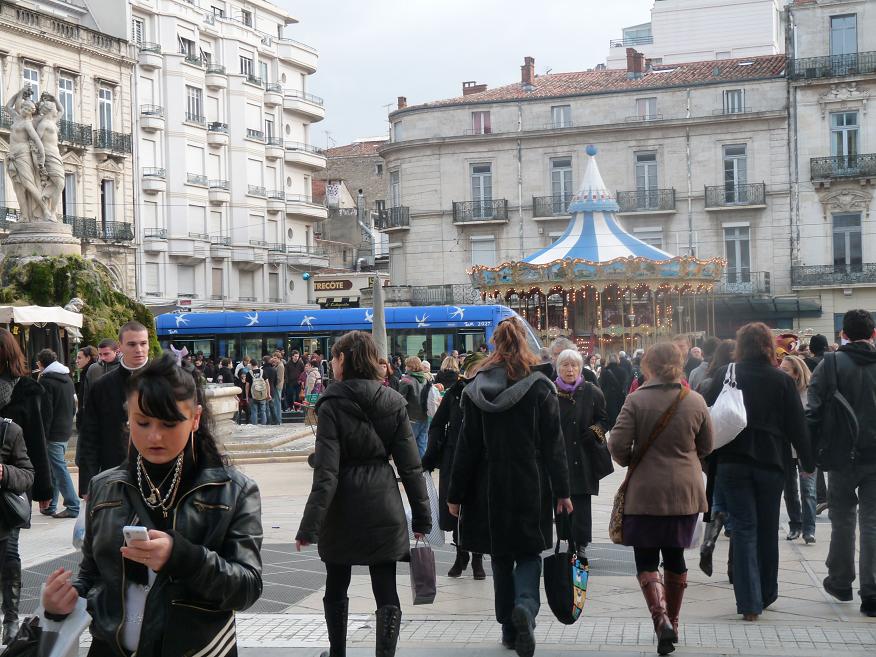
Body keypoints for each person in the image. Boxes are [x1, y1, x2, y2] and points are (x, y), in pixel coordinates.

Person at [41, 353, 263, 656]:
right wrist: (63, 600)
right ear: (128, 417)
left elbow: (247, 587)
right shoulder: (105, 486)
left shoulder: (232, 490)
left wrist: (184, 557)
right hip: (112, 648)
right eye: (142, 422)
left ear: (195, 418)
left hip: (199, 649)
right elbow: (93, 573)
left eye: (170, 423)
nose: (154, 436)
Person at [296, 331, 430, 657]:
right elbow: (411, 467)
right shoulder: (394, 401)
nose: (332, 363)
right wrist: (423, 518)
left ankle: (337, 652)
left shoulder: (331, 402)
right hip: (383, 501)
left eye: (335, 357)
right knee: (385, 586)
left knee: (336, 582)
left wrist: (309, 526)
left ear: (344, 360)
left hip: (342, 506)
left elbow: (326, 472)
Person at [447, 319, 571, 657]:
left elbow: (466, 448)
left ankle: (507, 626)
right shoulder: (541, 387)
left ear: (493, 346)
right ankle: (526, 608)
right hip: (530, 479)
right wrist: (563, 491)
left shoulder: (475, 388)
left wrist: (455, 495)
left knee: (500, 555)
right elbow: (554, 446)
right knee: (529, 552)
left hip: (489, 484)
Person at [703, 322, 813, 621]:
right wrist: (808, 461)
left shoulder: (727, 373)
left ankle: (749, 602)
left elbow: (707, 411)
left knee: (743, 530)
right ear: (768, 345)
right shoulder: (781, 380)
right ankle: (767, 592)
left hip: (732, 461)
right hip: (771, 461)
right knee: (767, 529)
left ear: (741, 345)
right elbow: (796, 425)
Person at [609, 343, 713, 656]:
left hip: (645, 492)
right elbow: (707, 445)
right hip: (685, 491)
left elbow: (617, 445)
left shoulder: (636, 400)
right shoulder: (694, 400)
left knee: (646, 559)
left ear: (648, 366)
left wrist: (632, 459)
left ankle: (660, 619)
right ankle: (675, 621)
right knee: (675, 556)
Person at [806, 309, 876, 617]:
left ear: (843, 334)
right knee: (872, 523)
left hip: (839, 455)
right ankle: (872, 592)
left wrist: (809, 452)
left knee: (843, 519)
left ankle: (841, 581)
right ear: (873, 334)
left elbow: (813, 410)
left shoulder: (830, 364)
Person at [0, 329, 52, 643]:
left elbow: (37, 444)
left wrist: (45, 492)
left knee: (8, 554)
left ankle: (10, 620)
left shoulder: (27, 391)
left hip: (9, 490)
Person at [422, 352, 488, 580]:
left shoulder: (491, 393)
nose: (478, 375)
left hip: (482, 459)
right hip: (455, 456)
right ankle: (461, 555)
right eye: (474, 370)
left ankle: (478, 557)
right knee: (456, 506)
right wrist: (431, 454)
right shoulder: (454, 393)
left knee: (478, 506)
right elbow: (438, 424)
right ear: (466, 371)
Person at [77, 322, 151, 498]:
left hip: (159, 474)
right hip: (115, 472)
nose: (139, 349)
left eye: (143, 343)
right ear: (120, 347)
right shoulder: (102, 386)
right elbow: (89, 436)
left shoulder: (166, 381)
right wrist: (87, 484)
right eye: (132, 344)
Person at [555, 348, 611, 558]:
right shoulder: (551, 392)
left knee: (582, 501)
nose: (570, 370)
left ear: (580, 368)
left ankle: (581, 543)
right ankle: (567, 539)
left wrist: (594, 431)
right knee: (561, 497)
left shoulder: (591, 392)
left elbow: (605, 420)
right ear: (558, 368)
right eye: (565, 365)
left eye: (574, 366)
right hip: (560, 455)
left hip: (584, 456)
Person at [36, 349, 79, 519]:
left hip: (53, 432)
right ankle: (52, 505)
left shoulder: (46, 381)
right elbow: (73, 405)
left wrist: (43, 435)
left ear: (41, 363)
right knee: (55, 468)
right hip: (65, 429)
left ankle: (72, 505)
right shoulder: (67, 378)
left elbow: (47, 412)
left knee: (59, 469)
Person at [779, 354, 816, 544]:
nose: (781, 372)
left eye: (785, 370)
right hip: (785, 446)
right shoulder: (780, 390)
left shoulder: (809, 392)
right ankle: (795, 525)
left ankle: (809, 529)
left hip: (805, 448)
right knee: (790, 490)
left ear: (797, 373)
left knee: (808, 490)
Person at [803, 334, 830, 514]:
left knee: (817, 459)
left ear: (812, 348)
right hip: (836, 416)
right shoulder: (833, 361)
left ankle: (822, 496)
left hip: (817, 415)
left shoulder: (809, 363)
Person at [397, 356, 431, 457]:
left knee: (409, 446)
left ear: (410, 367)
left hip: (411, 418)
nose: (405, 367)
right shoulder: (426, 379)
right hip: (425, 417)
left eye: (406, 365)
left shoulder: (406, 381)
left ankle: (413, 470)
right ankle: (422, 468)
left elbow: (400, 401)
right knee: (422, 444)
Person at [74, 346, 98, 433]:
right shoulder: (86, 372)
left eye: (79, 358)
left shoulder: (91, 373)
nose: (76, 361)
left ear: (88, 358)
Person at [599, 354, 626, 428]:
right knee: (620, 415)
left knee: (610, 417)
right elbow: (625, 384)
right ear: (617, 359)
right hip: (619, 396)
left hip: (608, 397)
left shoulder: (604, 371)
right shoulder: (622, 371)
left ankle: (612, 433)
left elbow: (601, 385)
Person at [261, 356, 280, 425]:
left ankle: (268, 421)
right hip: (272, 389)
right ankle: (275, 420)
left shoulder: (262, 370)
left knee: (266, 407)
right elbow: (275, 381)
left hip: (263, 389)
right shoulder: (273, 370)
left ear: (264, 361)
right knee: (272, 406)